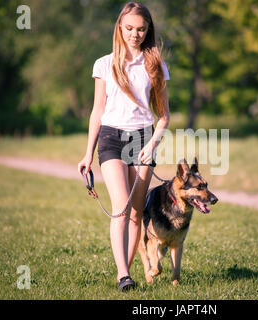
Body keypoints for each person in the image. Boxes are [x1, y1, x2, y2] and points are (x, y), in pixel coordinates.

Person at [77, 2, 170, 291]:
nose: (135, 34)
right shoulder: (104, 64)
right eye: (129, 28)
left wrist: (153, 143)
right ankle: (123, 276)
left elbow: (165, 116)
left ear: (148, 30)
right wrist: (87, 154)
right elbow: (97, 111)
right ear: (119, 27)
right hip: (111, 138)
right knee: (120, 207)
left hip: (143, 138)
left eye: (141, 29)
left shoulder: (155, 65)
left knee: (135, 213)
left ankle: (125, 271)